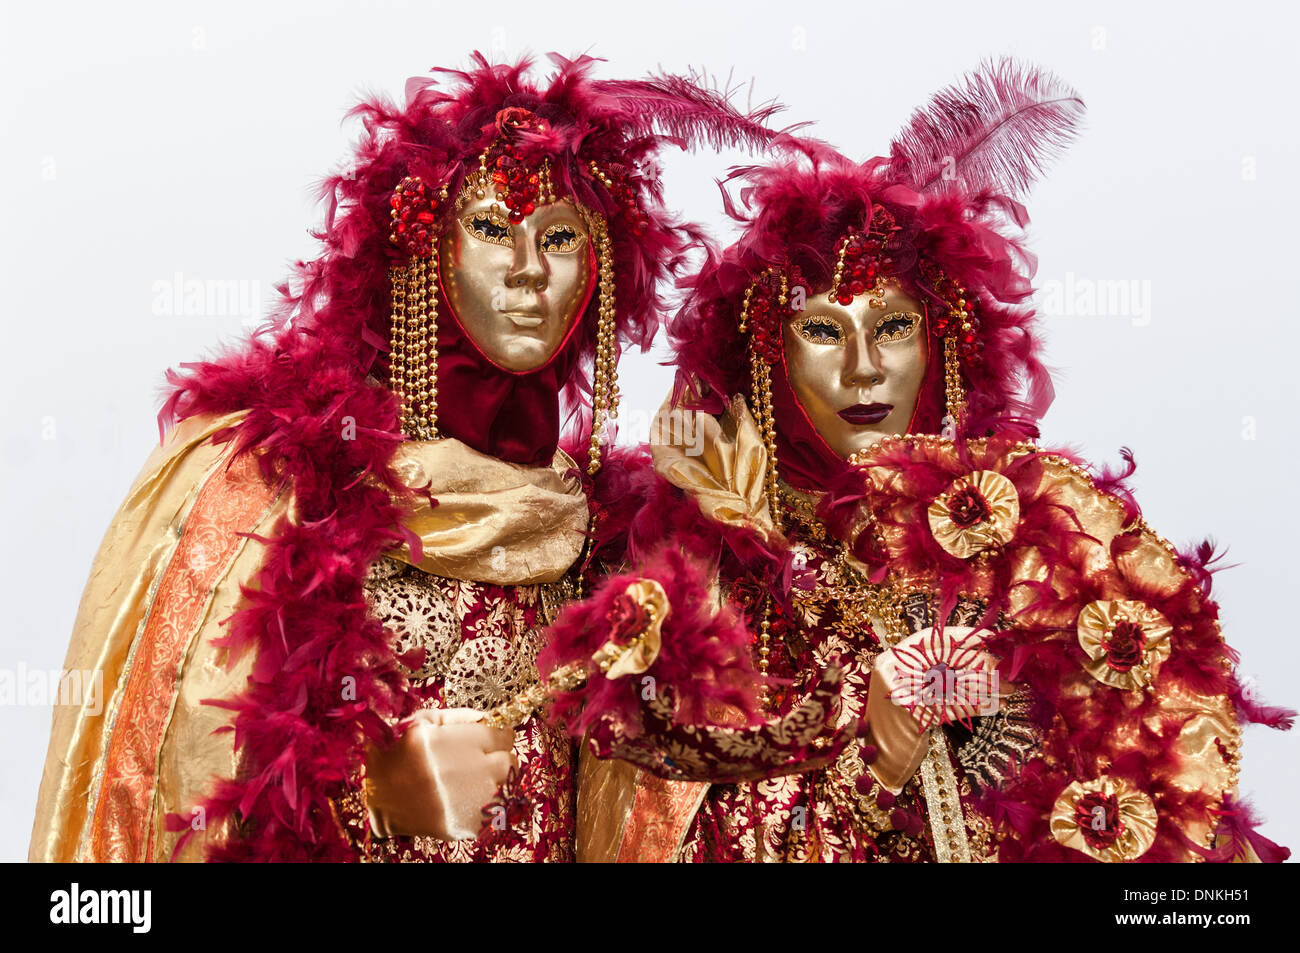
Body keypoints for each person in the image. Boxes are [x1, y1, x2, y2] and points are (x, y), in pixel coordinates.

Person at [28, 53, 783, 862]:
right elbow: (167, 784)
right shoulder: (268, 482)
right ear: (422, 253)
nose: (529, 272)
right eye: (492, 229)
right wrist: (368, 791)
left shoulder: (615, 537)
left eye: (559, 238)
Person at [541, 60, 1293, 862]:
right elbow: (674, 840)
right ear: (768, 358)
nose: (864, 369)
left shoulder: (1033, 562)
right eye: (824, 331)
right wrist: (880, 759)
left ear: (942, 344)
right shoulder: (710, 585)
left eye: (893, 327)